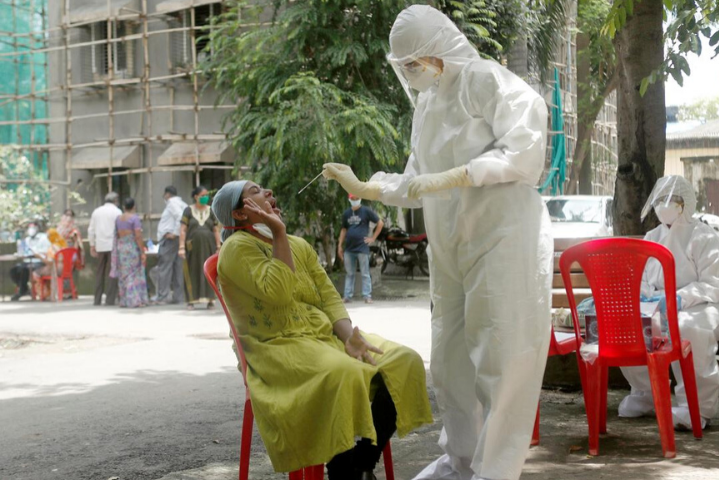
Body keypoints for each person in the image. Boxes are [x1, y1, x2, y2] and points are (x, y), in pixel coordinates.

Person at [322, 6, 552, 480]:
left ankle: (495, 471)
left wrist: (467, 173)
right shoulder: (426, 105)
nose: (411, 72)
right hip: (452, 243)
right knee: (449, 358)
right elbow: (415, 179)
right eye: (404, 64)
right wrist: (368, 187)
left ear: (440, 50)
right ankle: (461, 461)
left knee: (502, 358)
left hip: (503, 237)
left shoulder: (486, 80)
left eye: (415, 62)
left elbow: (526, 148)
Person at [211, 180, 432, 480]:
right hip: (278, 348)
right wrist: (277, 231)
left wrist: (348, 337)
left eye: (265, 188)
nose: (269, 193)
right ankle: (347, 469)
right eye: (255, 192)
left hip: (323, 336)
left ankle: (360, 463)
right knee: (344, 373)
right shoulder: (236, 248)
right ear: (239, 214)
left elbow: (329, 297)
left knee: (404, 362)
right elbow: (277, 292)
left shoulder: (298, 245)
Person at [618, 175, 719, 430]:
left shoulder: (706, 237)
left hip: (712, 304)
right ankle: (648, 393)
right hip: (665, 305)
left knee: (687, 329)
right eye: (660, 199)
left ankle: (696, 407)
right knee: (628, 323)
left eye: (670, 199)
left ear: (685, 202)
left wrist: (679, 298)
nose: (663, 204)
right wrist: (644, 297)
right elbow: (640, 275)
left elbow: (717, 283)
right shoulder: (652, 237)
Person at [179, 185, 221, 310]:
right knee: (192, 271)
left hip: (209, 246)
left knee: (209, 271)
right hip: (192, 247)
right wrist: (181, 247)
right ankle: (191, 301)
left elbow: (216, 230)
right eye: (202, 195)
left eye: (206, 195)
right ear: (196, 197)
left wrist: (218, 246)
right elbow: (182, 230)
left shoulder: (211, 210)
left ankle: (210, 300)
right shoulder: (188, 210)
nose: (205, 198)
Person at [338, 193, 383, 304]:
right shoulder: (346, 213)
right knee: (349, 273)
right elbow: (343, 230)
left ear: (360, 198)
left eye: (357, 198)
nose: (355, 200)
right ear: (349, 199)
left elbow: (380, 222)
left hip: (362, 247)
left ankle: (367, 296)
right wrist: (339, 245)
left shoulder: (366, 211)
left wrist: (373, 238)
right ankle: (347, 296)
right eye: (353, 198)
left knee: (365, 273)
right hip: (349, 248)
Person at [109, 198, 149, 308]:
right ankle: (135, 300)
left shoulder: (118, 219)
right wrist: (142, 251)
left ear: (123, 207)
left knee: (124, 274)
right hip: (132, 248)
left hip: (121, 247)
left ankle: (124, 300)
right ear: (134, 207)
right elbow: (138, 236)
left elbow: (116, 234)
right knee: (134, 274)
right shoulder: (134, 218)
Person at [88, 192, 122, 306]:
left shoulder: (96, 212)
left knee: (100, 272)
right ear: (115, 200)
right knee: (112, 272)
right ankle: (110, 299)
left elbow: (91, 230)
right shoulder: (117, 212)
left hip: (100, 245)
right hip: (113, 245)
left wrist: (92, 245)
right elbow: (120, 230)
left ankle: (97, 300)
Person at [155, 186, 188, 304]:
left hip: (170, 240)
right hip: (179, 240)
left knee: (165, 268)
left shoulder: (172, 203)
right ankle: (178, 297)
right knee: (177, 268)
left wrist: (174, 233)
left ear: (167, 194)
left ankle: (163, 296)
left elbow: (180, 217)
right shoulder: (182, 203)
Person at [10, 221, 51, 301]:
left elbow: (47, 251)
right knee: (14, 270)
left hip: (39, 261)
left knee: (24, 270)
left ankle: (21, 291)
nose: (31, 230)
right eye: (30, 228)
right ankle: (24, 288)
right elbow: (23, 251)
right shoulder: (27, 240)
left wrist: (37, 253)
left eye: (33, 227)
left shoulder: (44, 238)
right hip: (27, 260)